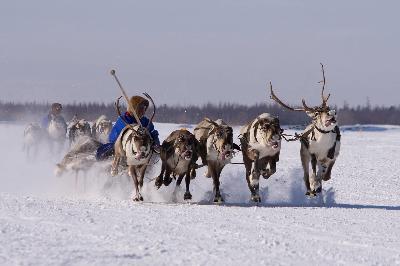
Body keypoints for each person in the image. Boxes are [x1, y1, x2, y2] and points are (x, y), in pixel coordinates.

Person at [96, 95, 160, 160]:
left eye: (144, 108)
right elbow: (120, 135)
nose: (143, 110)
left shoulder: (144, 120)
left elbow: (152, 132)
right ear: (135, 108)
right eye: (141, 108)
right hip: (118, 144)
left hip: (141, 146)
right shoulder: (124, 119)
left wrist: (156, 143)